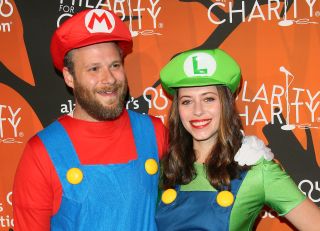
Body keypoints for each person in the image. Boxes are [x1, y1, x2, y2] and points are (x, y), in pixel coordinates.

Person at [13, 9, 166, 231]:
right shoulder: (41, 153)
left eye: (115, 65)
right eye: (94, 69)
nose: (109, 79)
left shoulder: (155, 132)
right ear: (69, 77)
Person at [155, 49, 320, 230]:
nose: (198, 110)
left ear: (225, 104)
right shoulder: (165, 168)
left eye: (209, 99)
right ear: (177, 110)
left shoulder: (256, 169)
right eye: (187, 101)